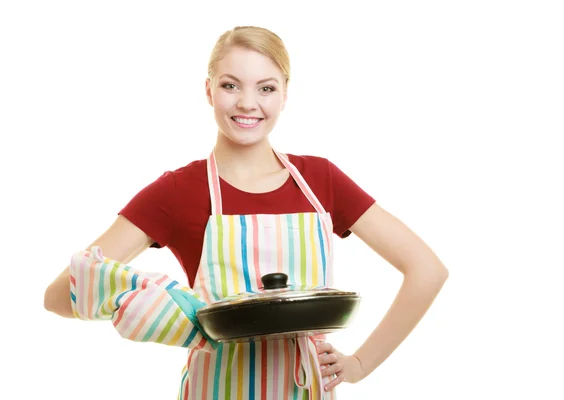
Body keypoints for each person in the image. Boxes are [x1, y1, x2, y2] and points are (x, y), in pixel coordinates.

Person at [44, 25, 449, 399]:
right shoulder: (177, 191)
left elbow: (427, 270)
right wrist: (153, 302)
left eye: (266, 88)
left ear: (286, 94)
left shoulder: (320, 180)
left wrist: (360, 364)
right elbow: (59, 295)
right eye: (230, 85)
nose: (248, 103)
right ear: (208, 90)